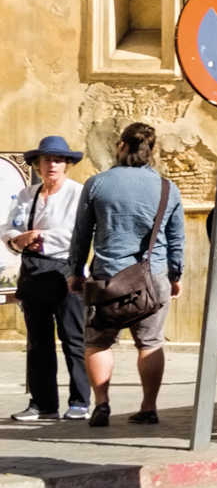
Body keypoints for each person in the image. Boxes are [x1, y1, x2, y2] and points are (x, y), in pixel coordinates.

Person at [66, 122, 185, 428]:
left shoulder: (97, 184)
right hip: (152, 277)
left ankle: (102, 404)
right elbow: (176, 238)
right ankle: (148, 407)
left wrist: (75, 271)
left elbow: (82, 234)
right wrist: (175, 275)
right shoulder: (167, 188)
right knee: (150, 343)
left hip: (107, 278)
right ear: (152, 150)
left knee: (97, 342)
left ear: (121, 146)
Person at [5, 136, 91, 421]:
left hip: (65, 271)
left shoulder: (77, 194)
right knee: (38, 342)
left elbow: (76, 234)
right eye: (46, 160)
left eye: (57, 160)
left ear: (67, 164)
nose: (52, 165)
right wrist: (17, 241)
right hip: (33, 272)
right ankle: (43, 403)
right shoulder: (28, 195)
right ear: (37, 164)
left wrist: (38, 236)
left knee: (73, 339)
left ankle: (80, 400)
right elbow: (8, 228)